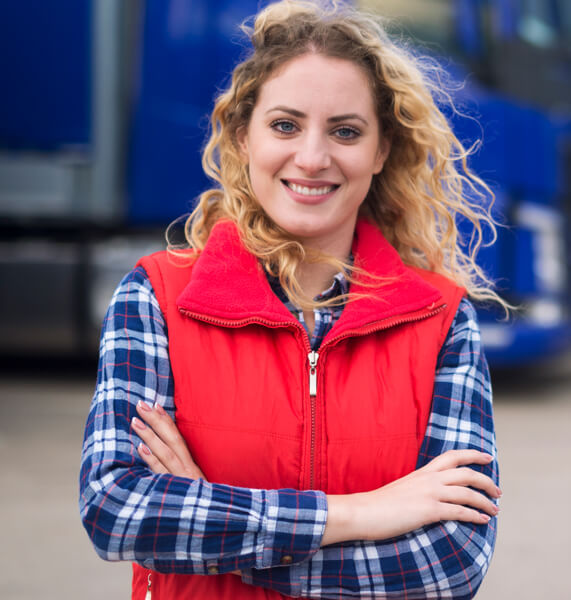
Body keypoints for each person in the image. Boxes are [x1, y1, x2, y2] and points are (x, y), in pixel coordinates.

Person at [79, 1, 503, 598]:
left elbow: (451, 563)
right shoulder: (157, 297)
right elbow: (115, 510)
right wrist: (359, 513)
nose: (311, 157)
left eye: (345, 131)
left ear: (381, 151)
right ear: (243, 136)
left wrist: (211, 526)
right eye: (285, 125)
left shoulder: (441, 318)